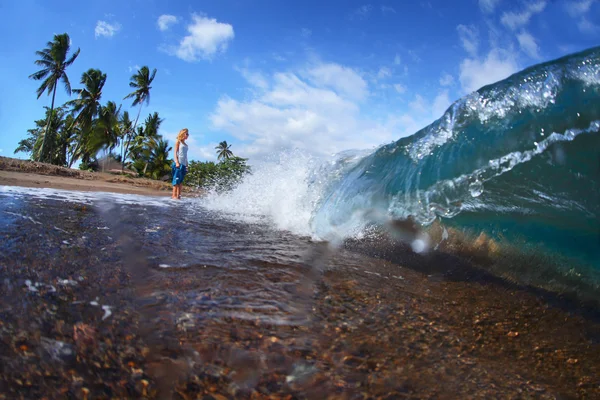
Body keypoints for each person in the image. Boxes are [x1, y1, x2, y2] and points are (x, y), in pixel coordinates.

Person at [172, 128, 189, 200]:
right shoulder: (178, 142)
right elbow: (175, 153)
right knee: (176, 181)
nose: (187, 135)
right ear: (182, 134)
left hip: (184, 164)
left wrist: (187, 165)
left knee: (181, 182)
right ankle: (174, 196)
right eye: (186, 134)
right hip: (178, 163)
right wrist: (176, 162)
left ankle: (179, 196)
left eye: (188, 134)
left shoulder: (186, 144)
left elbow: (185, 155)